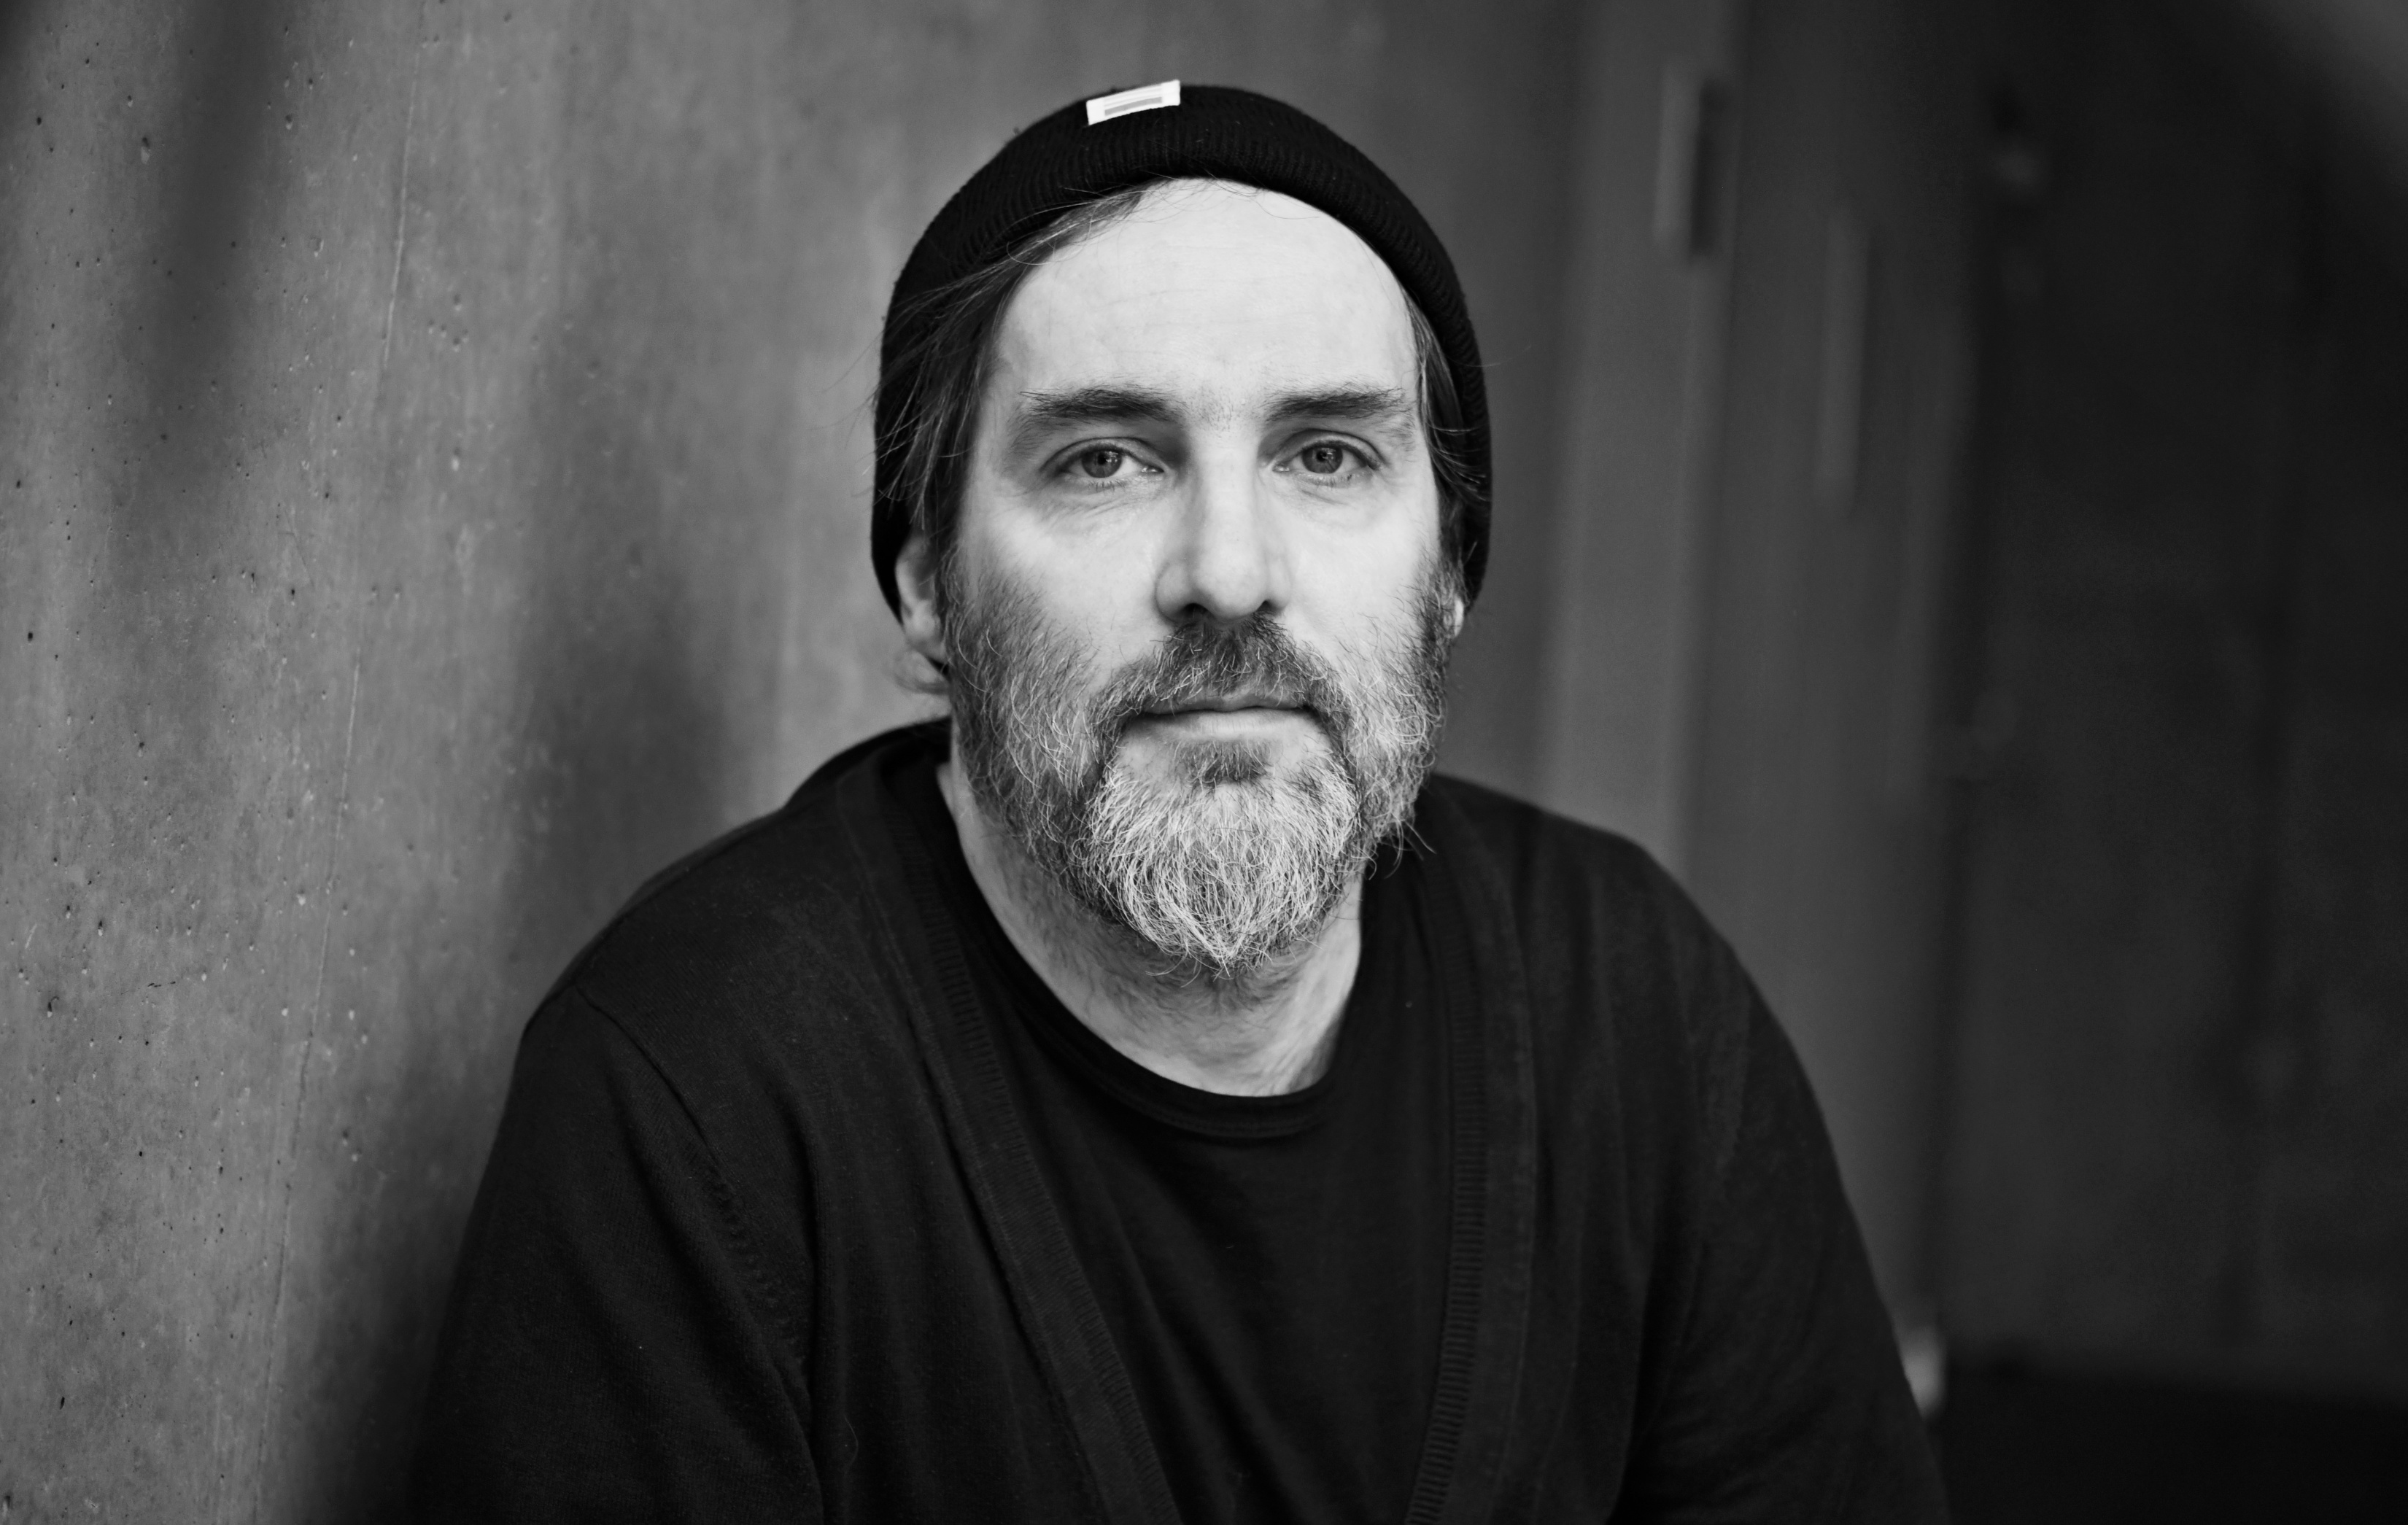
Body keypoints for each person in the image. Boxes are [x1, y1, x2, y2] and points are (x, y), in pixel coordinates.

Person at [411, 83, 1947, 1523]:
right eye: (1104, 460)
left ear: (1450, 571)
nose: (1227, 570)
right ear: (929, 582)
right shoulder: (698, 1089)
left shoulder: (1634, 1012)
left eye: (1327, 454)